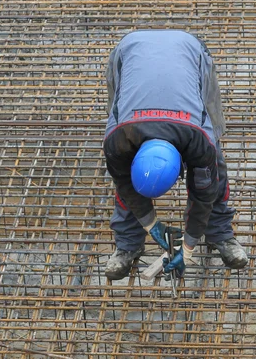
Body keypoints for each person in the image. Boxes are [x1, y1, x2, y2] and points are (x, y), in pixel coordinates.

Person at [102, 30, 248, 281]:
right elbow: (125, 184)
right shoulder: (118, 141)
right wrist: (151, 224)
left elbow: (203, 193)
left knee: (214, 159)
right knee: (122, 177)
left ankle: (220, 233)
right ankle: (129, 243)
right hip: (129, 53)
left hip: (189, 52)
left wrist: (187, 248)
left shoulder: (197, 142)